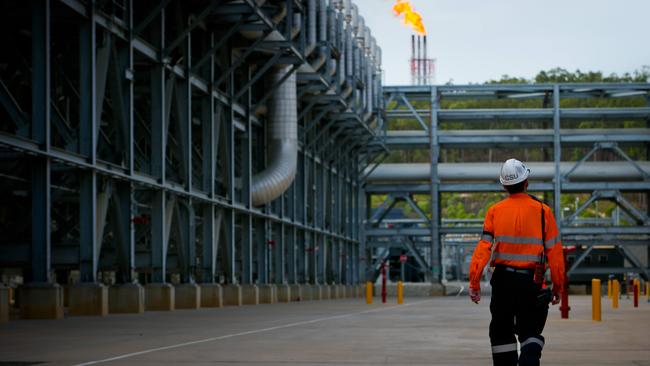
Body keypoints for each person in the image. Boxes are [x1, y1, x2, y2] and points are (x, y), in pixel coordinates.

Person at [468, 158, 566, 366]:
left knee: (501, 331)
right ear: (526, 182)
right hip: (531, 281)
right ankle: (530, 355)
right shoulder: (543, 212)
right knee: (530, 329)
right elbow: (555, 253)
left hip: (502, 281)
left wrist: (474, 282)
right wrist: (558, 285)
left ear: (504, 185)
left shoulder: (495, 211)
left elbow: (483, 248)